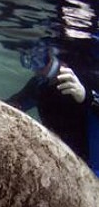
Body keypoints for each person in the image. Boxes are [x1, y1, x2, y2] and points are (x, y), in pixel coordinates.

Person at [7, 44, 99, 175]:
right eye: (29, 61)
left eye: (40, 60)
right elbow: (15, 104)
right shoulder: (39, 85)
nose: (36, 68)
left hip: (91, 168)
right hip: (60, 162)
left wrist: (86, 96)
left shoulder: (89, 78)